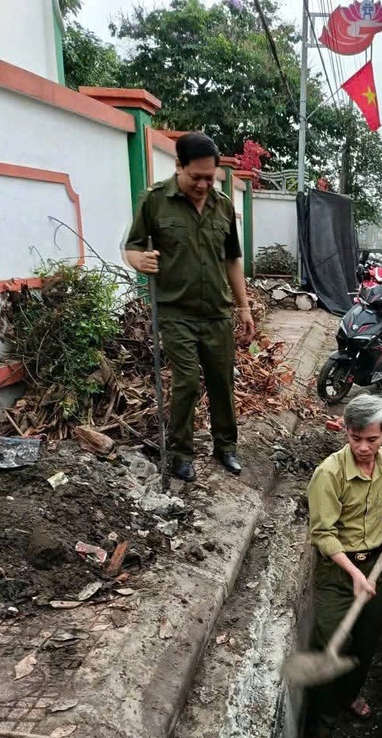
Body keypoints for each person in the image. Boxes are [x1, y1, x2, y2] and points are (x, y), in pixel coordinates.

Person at [125, 131, 255, 483]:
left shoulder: (223, 205)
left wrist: (243, 308)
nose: (202, 185)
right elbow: (132, 246)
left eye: (209, 178)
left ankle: (225, 447)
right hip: (175, 311)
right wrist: (139, 260)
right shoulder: (155, 201)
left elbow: (232, 260)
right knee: (185, 382)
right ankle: (181, 453)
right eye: (195, 177)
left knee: (221, 382)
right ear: (178, 166)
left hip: (216, 311)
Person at [306, 394, 382, 738]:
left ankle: (350, 693)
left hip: (375, 563)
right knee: (332, 643)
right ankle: (322, 726)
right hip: (338, 569)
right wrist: (352, 574)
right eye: (355, 439)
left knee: (367, 639)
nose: (364, 448)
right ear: (345, 433)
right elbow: (323, 534)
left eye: (372, 439)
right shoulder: (329, 474)